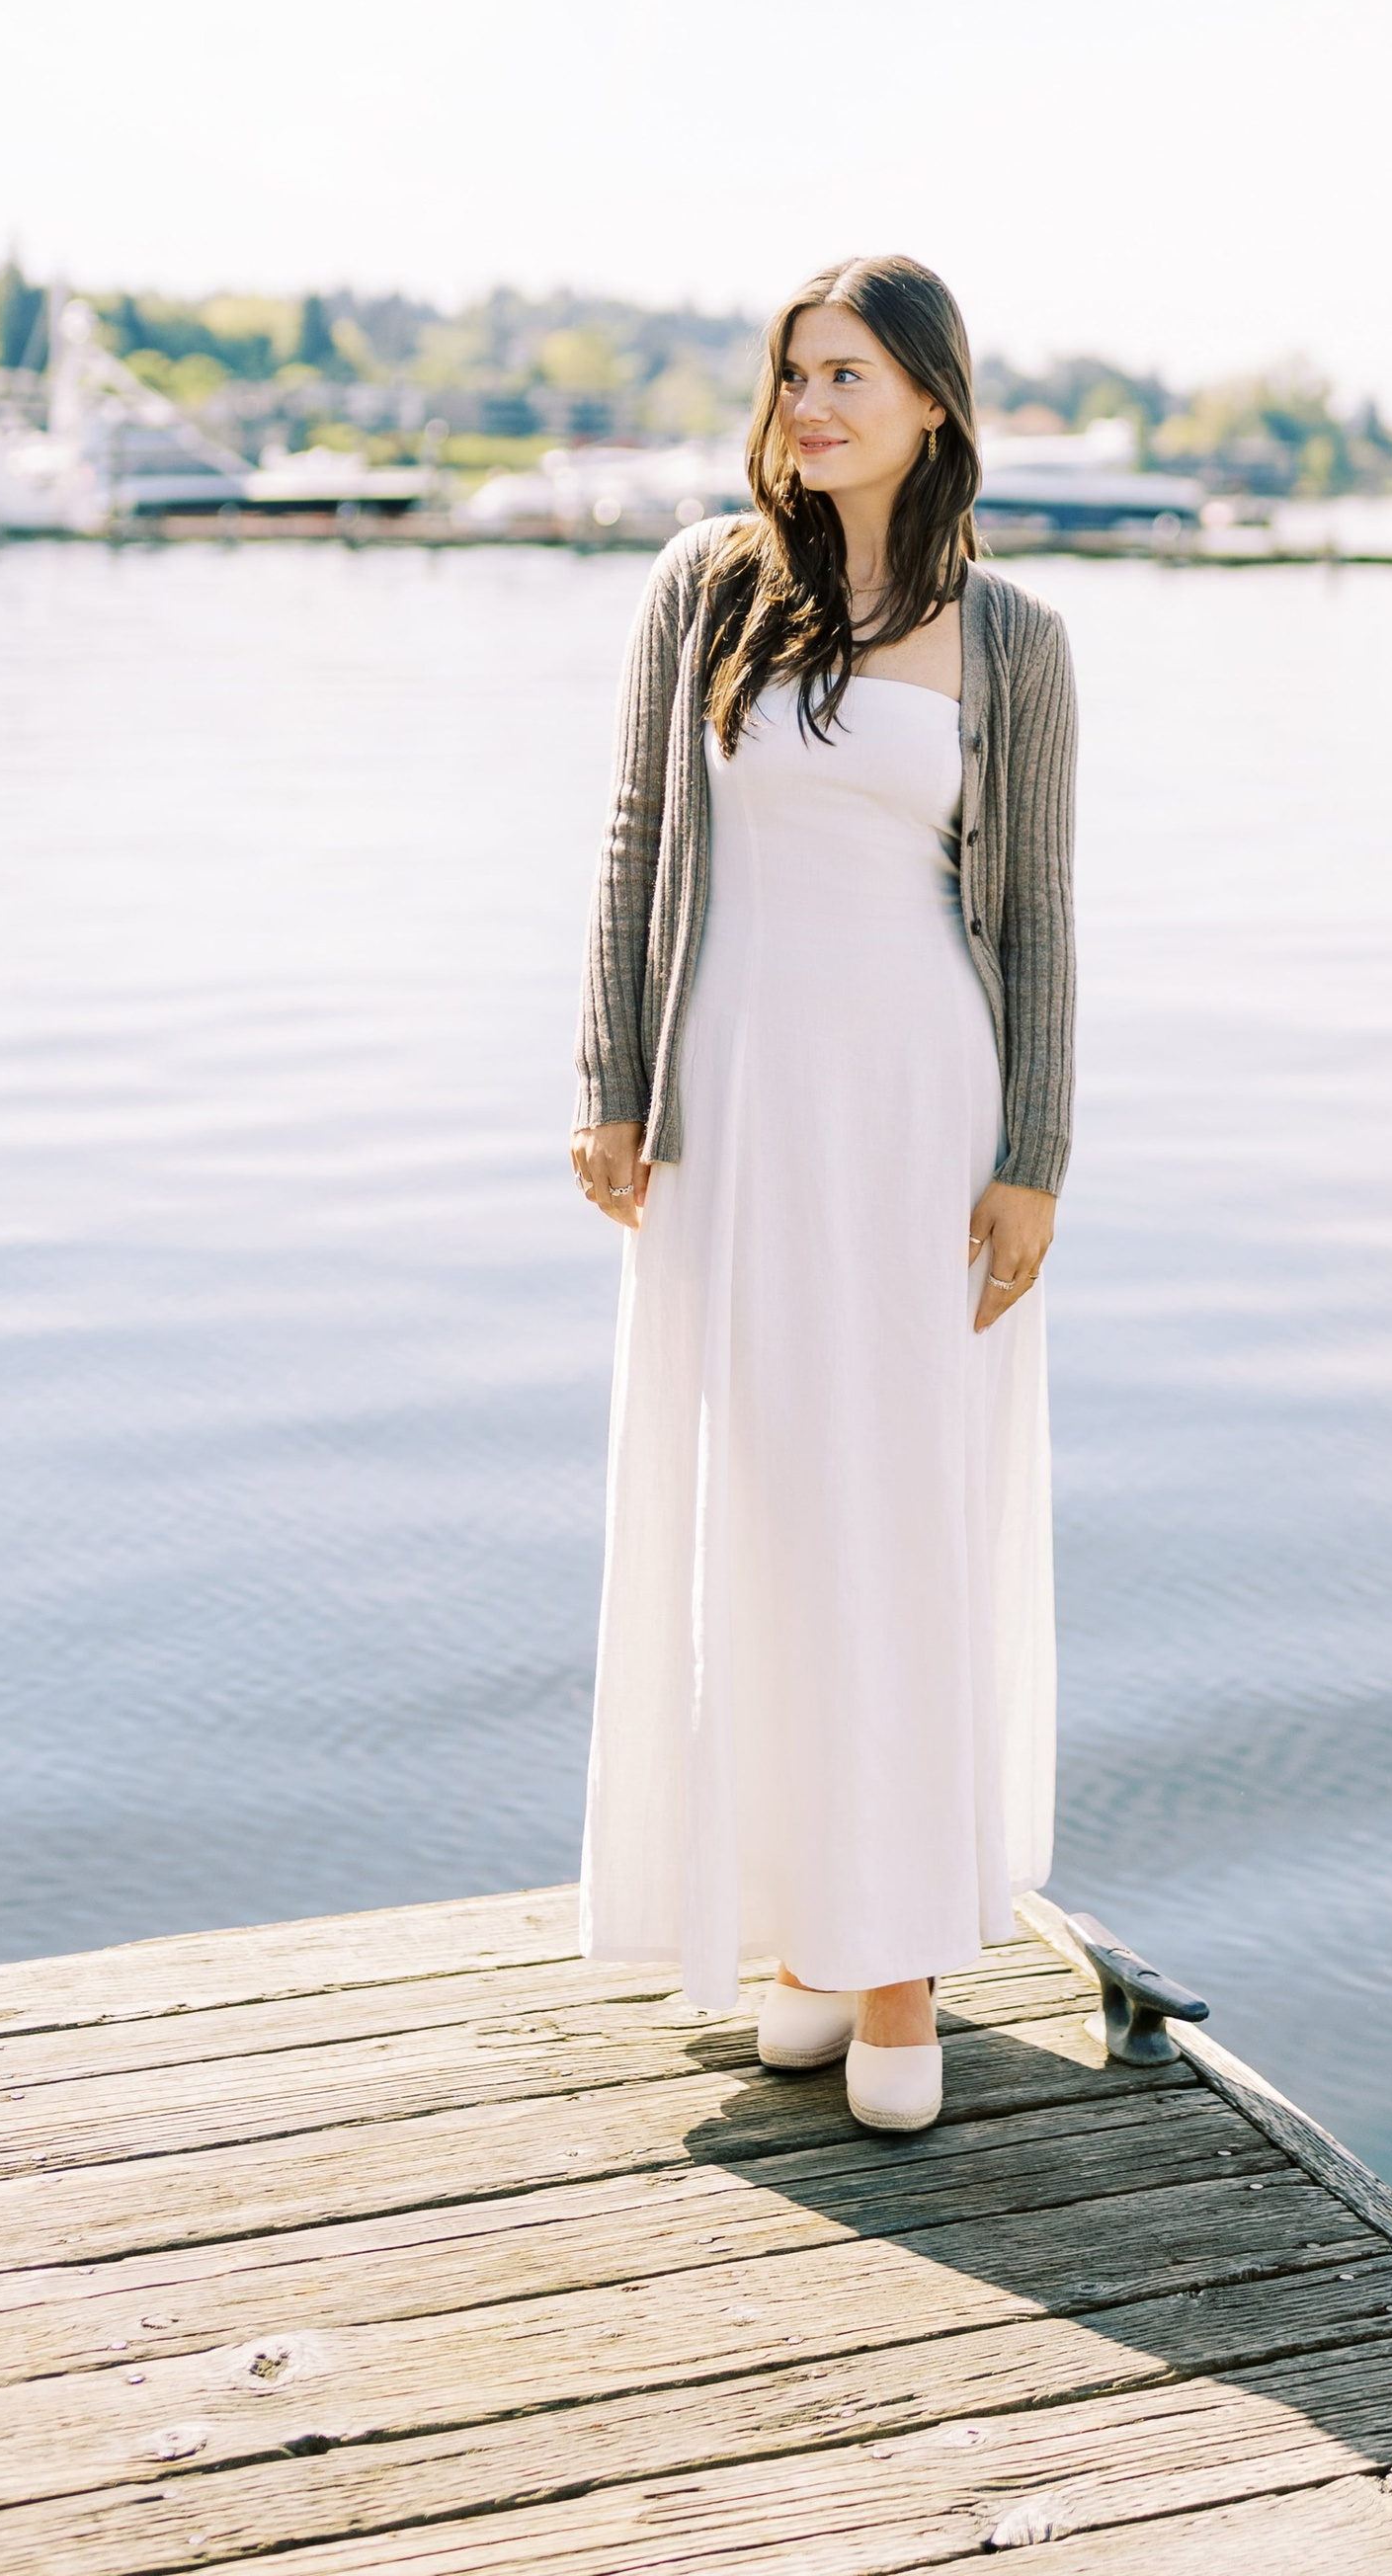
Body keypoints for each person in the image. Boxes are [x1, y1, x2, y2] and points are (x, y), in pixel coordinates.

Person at [571, 253, 1077, 2133]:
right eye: (793, 373)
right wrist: (610, 1082)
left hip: (918, 1113)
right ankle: (792, 1926)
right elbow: (635, 833)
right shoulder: (708, 583)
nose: (812, 405)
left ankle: (895, 1961)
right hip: (732, 1101)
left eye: (849, 373)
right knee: (761, 1499)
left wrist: (1035, 1160)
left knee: (897, 1508)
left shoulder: (1012, 640)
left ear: (933, 400)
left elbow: (1033, 918)